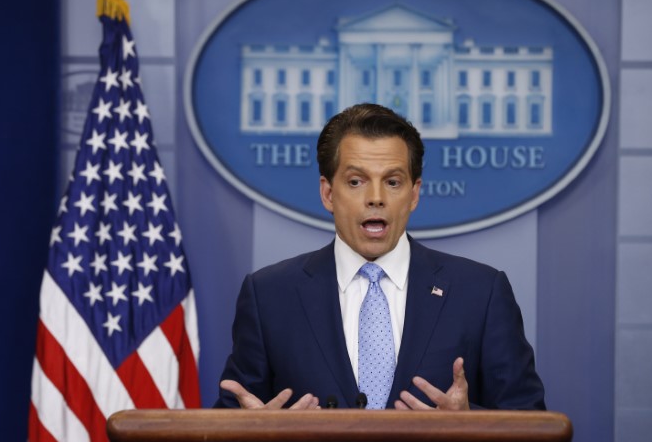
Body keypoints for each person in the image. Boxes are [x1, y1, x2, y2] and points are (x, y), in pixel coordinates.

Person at [215, 103, 545, 410]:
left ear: (414, 194)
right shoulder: (270, 295)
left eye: (393, 182)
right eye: (356, 181)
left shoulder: (480, 293)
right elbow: (227, 429)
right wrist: (253, 432)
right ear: (328, 193)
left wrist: (470, 422)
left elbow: (531, 428)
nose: (376, 198)